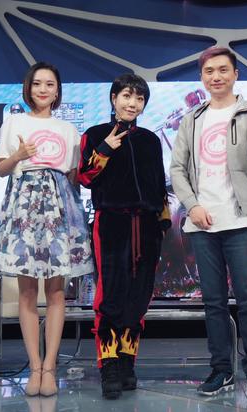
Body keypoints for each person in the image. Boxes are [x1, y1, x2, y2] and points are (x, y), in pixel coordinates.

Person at [170, 46, 247, 398]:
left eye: (223, 70)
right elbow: (177, 169)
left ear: (235, 74)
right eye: (209, 71)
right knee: (213, 302)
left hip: (240, 219)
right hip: (202, 223)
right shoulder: (192, 119)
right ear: (202, 77)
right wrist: (192, 206)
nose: (216, 76)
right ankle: (221, 370)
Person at [0, 62, 94, 397]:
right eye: (37, 83)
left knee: (56, 291)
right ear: (28, 87)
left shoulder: (68, 129)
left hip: (60, 206)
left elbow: (74, 176)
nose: (43, 89)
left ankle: (50, 367)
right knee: (26, 292)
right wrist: (19, 154)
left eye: (50, 84)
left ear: (57, 90)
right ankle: (34, 366)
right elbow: (2, 169)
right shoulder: (14, 122)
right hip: (23, 204)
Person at [78, 73, 170, 400]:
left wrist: (162, 223)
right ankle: (109, 365)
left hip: (147, 225)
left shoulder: (150, 140)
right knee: (110, 296)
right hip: (111, 222)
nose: (133, 103)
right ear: (114, 98)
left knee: (139, 296)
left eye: (139, 98)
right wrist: (105, 149)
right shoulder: (94, 135)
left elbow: (159, 184)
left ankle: (128, 361)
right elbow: (84, 177)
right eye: (127, 96)